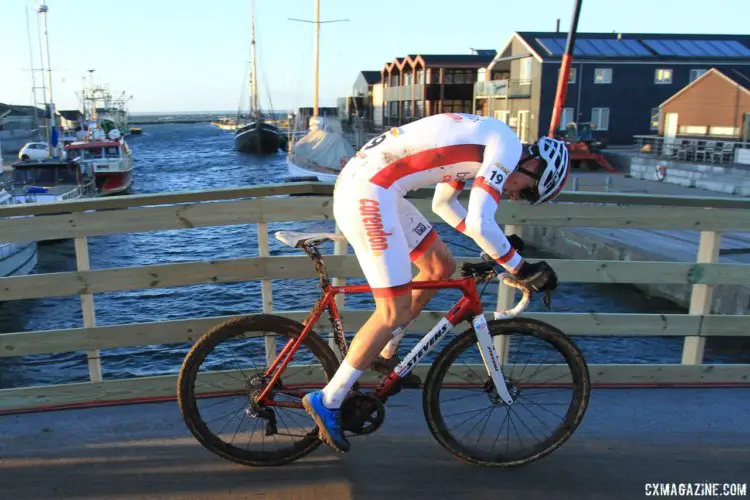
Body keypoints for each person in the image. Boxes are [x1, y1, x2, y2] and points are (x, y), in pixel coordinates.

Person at [302, 112, 568, 453]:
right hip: (369, 193)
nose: (517, 196)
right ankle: (329, 399)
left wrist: (499, 252)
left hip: (377, 187)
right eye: (527, 191)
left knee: (439, 266)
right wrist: (520, 267)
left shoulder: (487, 145)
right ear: (534, 166)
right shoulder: (506, 147)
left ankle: (384, 352)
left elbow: (444, 205)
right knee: (391, 312)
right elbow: (479, 221)